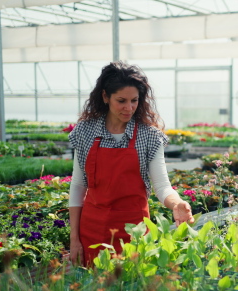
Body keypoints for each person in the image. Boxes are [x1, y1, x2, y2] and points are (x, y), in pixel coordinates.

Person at [68, 61, 194, 266]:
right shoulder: (85, 132)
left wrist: (177, 203)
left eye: (134, 100)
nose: (129, 108)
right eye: (121, 101)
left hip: (134, 230)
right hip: (92, 230)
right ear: (105, 97)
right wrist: (74, 240)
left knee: (130, 290)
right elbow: (78, 186)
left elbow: (162, 186)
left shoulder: (149, 136)